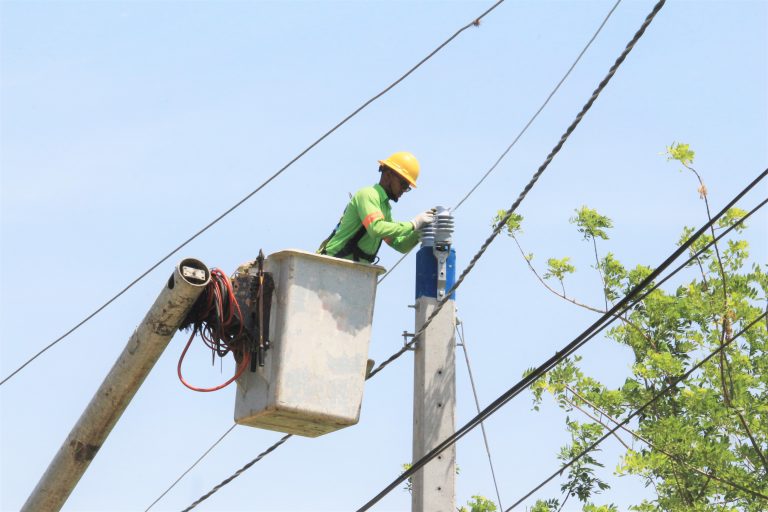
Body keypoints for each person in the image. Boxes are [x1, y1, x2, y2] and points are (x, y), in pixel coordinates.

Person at [318, 151, 435, 264]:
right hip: (331, 264)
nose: (404, 190)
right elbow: (376, 228)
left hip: (352, 271)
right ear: (389, 175)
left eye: (407, 188)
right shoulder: (368, 194)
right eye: (403, 184)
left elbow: (400, 245)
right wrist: (413, 223)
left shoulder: (384, 208)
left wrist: (420, 229)